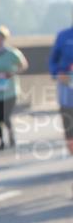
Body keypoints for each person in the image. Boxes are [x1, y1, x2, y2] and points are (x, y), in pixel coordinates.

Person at [0, 25, 28, 150]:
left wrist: (12, 73)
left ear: (4, 38)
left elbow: (23, 65)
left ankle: (11, 135)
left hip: (9, 90)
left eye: (0, 37)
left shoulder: (12, 53)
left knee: (5, 116)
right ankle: (1, 140)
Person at [49, 13, 73, 178]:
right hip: (67, 95)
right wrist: (58, 73)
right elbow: (52, 61)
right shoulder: (63, 36)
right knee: (70, 135)